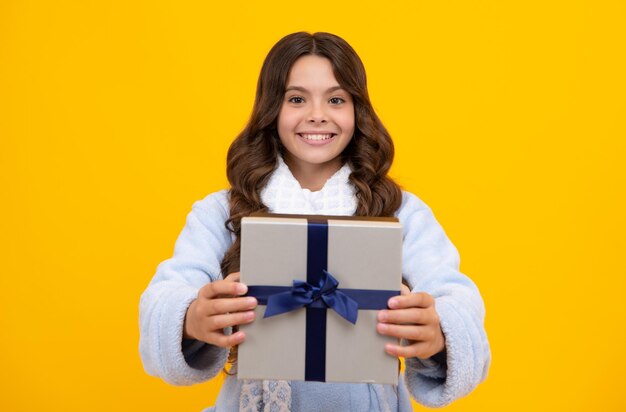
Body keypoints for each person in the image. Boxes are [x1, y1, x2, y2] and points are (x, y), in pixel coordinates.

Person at [139, 32, 490, 412]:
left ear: (358, 110)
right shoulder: (221, 211)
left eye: (336, 99)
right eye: (296, 99)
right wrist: (191, 317)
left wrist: (437, 333)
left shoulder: (401, 212)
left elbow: (458, 300)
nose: (317, 114)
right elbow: (165, 294)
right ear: (271, 109)